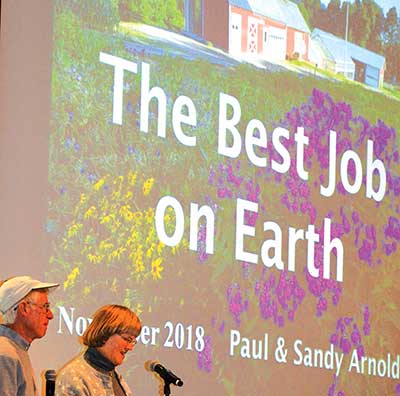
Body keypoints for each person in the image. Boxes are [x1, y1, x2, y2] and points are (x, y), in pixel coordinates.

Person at [55, 304, 142, 396]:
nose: (130, 347)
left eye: (132, 341)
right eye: (127, 339)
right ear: (106, 333)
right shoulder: (73, 376)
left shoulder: (114, 375)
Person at [0, 275, 59, 396]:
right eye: (45, 307)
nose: (50, 315)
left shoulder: (16, 351)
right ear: (24, 308)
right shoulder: (5, 355)